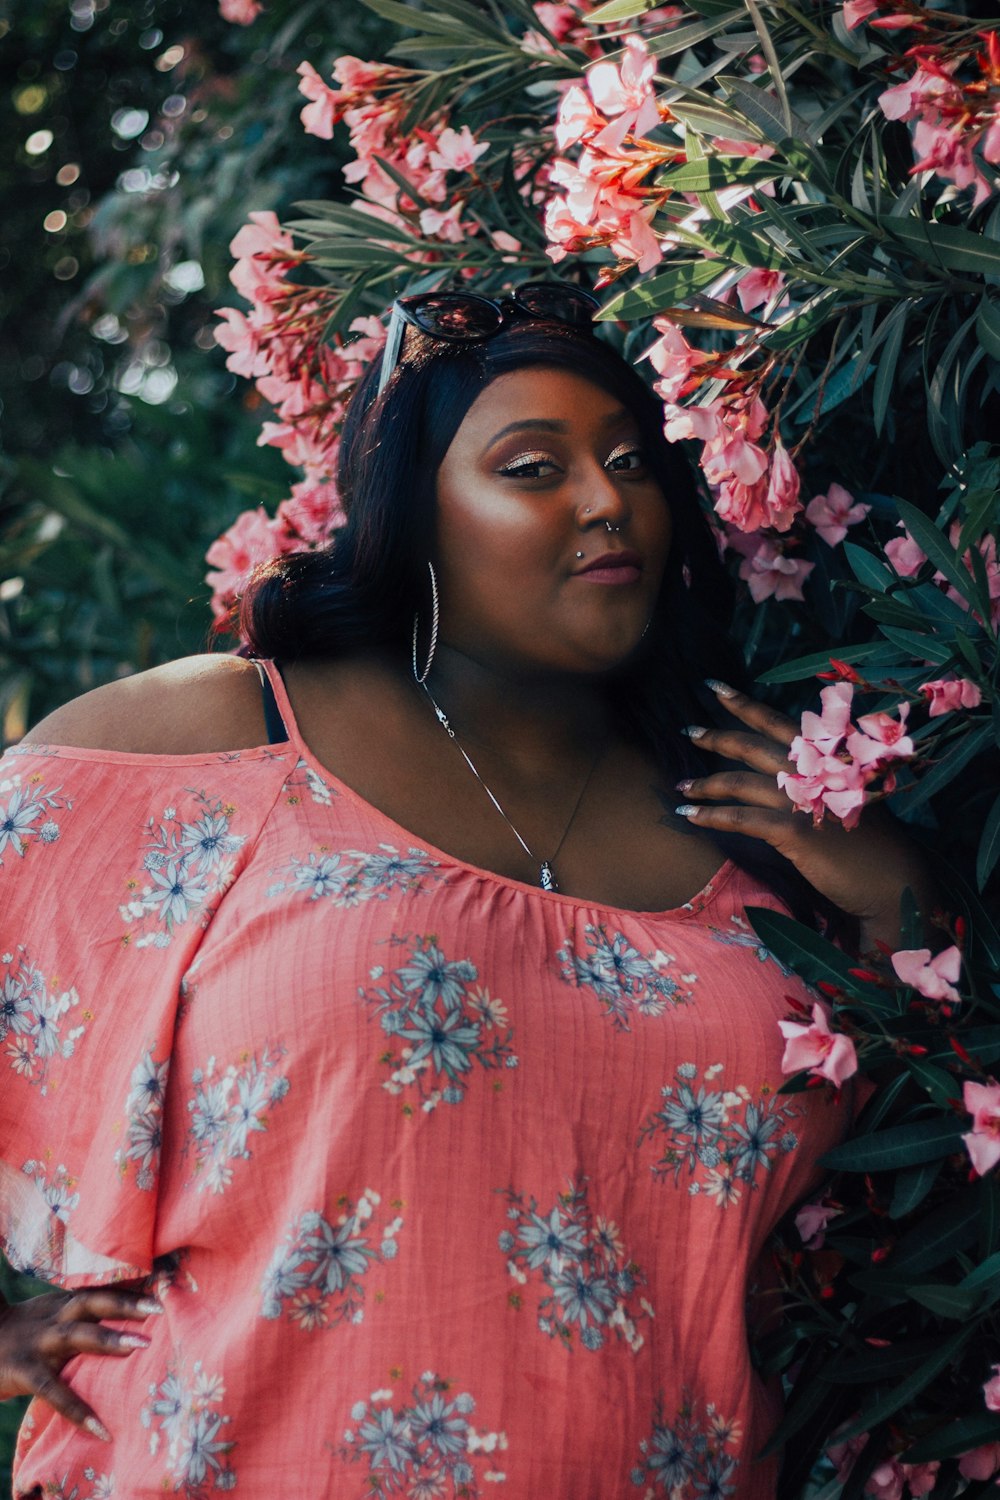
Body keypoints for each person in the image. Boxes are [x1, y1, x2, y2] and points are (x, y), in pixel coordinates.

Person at [0, 285, 929, 1499]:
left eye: (632, 462)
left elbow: (915, 1148)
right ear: (416, 520)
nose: (608, 500)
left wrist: (891, 891)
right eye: (533, 467)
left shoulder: (751, 820)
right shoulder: (230, 741)